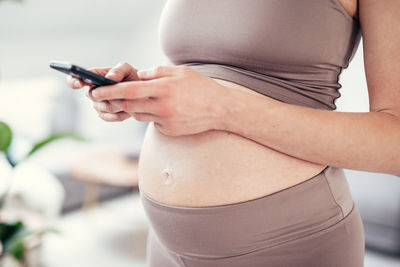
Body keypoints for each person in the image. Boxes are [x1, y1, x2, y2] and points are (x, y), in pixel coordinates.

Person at [67, 0, 400, 266]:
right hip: (165, 242)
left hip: (286, 242)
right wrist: (141, 92)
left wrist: (223, 107)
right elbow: (211, 74)